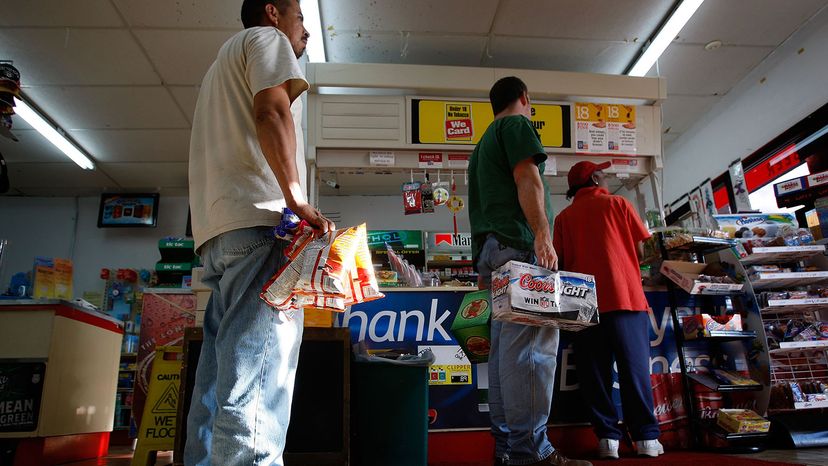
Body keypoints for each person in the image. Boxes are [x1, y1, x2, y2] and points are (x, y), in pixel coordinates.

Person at [185, 1, 334, 464]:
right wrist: (296, 197)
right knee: (258, 381)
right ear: (272, 12)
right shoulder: (265, 40)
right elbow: (273, 113)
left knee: (218, 377)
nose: (305, 32)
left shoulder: (217, 69)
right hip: (260, 226)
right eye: (301, 18)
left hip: (218, 236)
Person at [468, 76, 591, 466]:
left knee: (507, 355)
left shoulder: (482, 145)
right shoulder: (517, 125)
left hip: (494, 254)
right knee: (534, 353)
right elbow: (528, 179)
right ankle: (533, 452)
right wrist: (543, 235)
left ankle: (507, 449)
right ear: (524, 98)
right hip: (520, 249)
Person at [552, 161, 663, 459]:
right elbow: (644, 252)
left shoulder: (563, 217)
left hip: (583, 304)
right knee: (635, 370)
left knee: (595, 376)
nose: (606, 174)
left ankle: (607, 441)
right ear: (594, 177)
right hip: (624, 297)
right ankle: (646, 439)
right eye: (601, 172)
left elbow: (559, 262)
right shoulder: (619, 204)